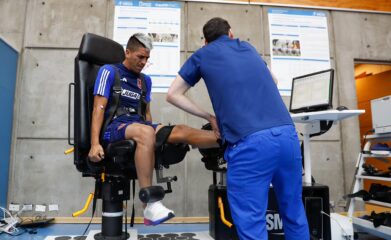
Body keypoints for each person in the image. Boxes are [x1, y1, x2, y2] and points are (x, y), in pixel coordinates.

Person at [167, 17, 309, 240]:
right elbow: (274, 79)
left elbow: (172, 94)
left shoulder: (202, 55)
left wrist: (209, 116)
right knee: (293, 211)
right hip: (287, 136)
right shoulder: (248, 48)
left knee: (252, 221)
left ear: (205, 41)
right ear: (230, 33)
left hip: (251, 144)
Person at [88, 33, 218, 226]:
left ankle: (226, 139)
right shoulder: (109, 71)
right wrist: (94, 144)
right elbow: (98, 109)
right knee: (146, 131)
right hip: (113, 128)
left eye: (147, 58)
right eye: (140, 57)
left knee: (179, 130)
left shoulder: (145, 81)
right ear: (128, 52)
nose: (144, 61)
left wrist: (156, 140)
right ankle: (149, 205)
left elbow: (147, 115)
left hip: (139, 126)